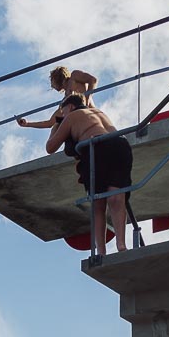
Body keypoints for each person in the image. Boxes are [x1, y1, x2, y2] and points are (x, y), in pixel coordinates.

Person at [45, 95, 134, 257]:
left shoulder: (71, 116)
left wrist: (55, 127)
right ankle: (122, 245)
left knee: (98, 203)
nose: (62, 115)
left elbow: (50, 147)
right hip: (121, 146)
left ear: (70, 107)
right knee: (117, 198)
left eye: (62, 111)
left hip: (96, 147)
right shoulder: (98, 112)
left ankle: (101, 252)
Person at [15, 64, 99, 130]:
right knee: (57, 127)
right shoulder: (65, 101)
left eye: (52, 80)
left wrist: (86, 101)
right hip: (81, 123)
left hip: (92, 114)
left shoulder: (74, 76)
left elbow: (93, 80)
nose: (51, 85)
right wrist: (27, 124)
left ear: (57, 77)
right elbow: (49, 123)